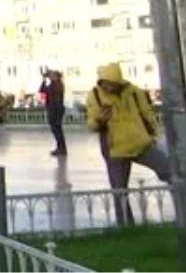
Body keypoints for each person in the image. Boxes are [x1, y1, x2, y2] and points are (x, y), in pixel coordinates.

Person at [86, 62, 171, 226]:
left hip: (141, 144)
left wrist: (156, 134)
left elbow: (147, 113)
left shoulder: (134, 92)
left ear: (118, 82)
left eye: (112, 84)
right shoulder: (95, 95)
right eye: (106, 84)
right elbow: (91, 124)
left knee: (171, 171)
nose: (109, 88)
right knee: (119, 190)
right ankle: (125, 226)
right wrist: (99, 120)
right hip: (115, 149)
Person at [40, 69, 67, 156]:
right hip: (54, 109)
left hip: (56, 110)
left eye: (52, 75)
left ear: (56, 76)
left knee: (57, 130)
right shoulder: (55, 84)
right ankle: (60, 148)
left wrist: (46, 78)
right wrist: (44, 80)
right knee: (56, 130)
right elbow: (42, 90)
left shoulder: (57, 84)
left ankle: (61, 148)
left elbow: (45, 91)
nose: (50, 76)